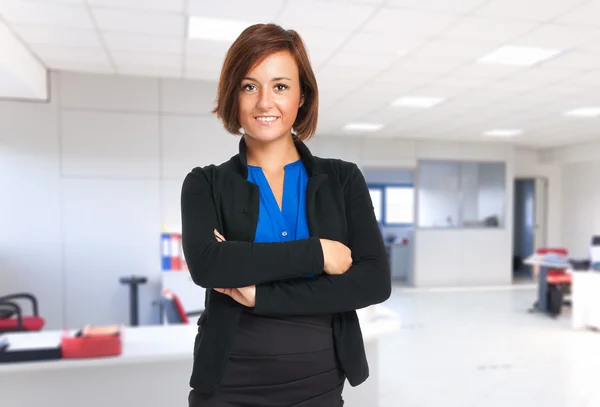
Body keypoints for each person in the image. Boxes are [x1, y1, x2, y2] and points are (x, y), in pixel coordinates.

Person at [181, 23, 391, 407]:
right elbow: (209, 266)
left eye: (280, 86)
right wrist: (318, 254)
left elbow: (374, 282)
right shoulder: (204, 184)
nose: (265, 102)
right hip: (229, 388)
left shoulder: (343, 179)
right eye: (249, 86)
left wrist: (258, 292)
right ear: (233, 96)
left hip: (321, 385)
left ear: (302, 96)